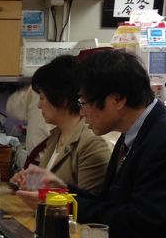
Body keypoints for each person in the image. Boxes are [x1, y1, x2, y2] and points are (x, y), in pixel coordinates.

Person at [28, 49, 166, 238]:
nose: (82, 112)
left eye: (84, 102)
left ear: (117, 99)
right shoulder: (136, 131)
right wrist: (63, 190)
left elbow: (141, 223)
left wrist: (65, 202)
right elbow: (111, 202)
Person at [10, 55, 112, 198]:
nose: (39, 105)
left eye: (42, 98)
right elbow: (48, 184)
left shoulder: (92, 143)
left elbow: (88, 206)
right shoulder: (56, 136)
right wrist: (28, 181)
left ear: (62, 100)